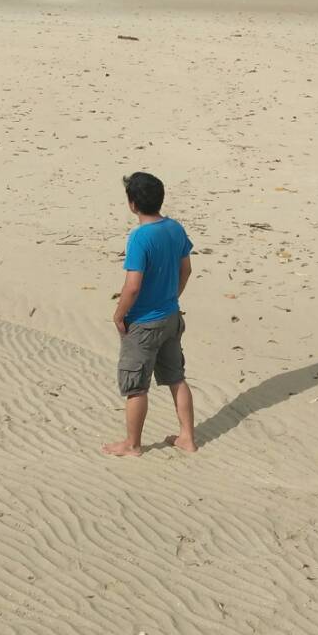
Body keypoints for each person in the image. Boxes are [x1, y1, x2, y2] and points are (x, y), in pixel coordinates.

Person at [102, 171, 197, 457]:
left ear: (132, 204)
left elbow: (132, 286)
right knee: (176, 377)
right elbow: (186, 269)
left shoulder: (140, 238)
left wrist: (119, 315)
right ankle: (187, 438)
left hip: (144, 323)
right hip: (170, 317)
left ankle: (132, 445)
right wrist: (172, 297)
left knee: (136, 386)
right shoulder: (175, 228)